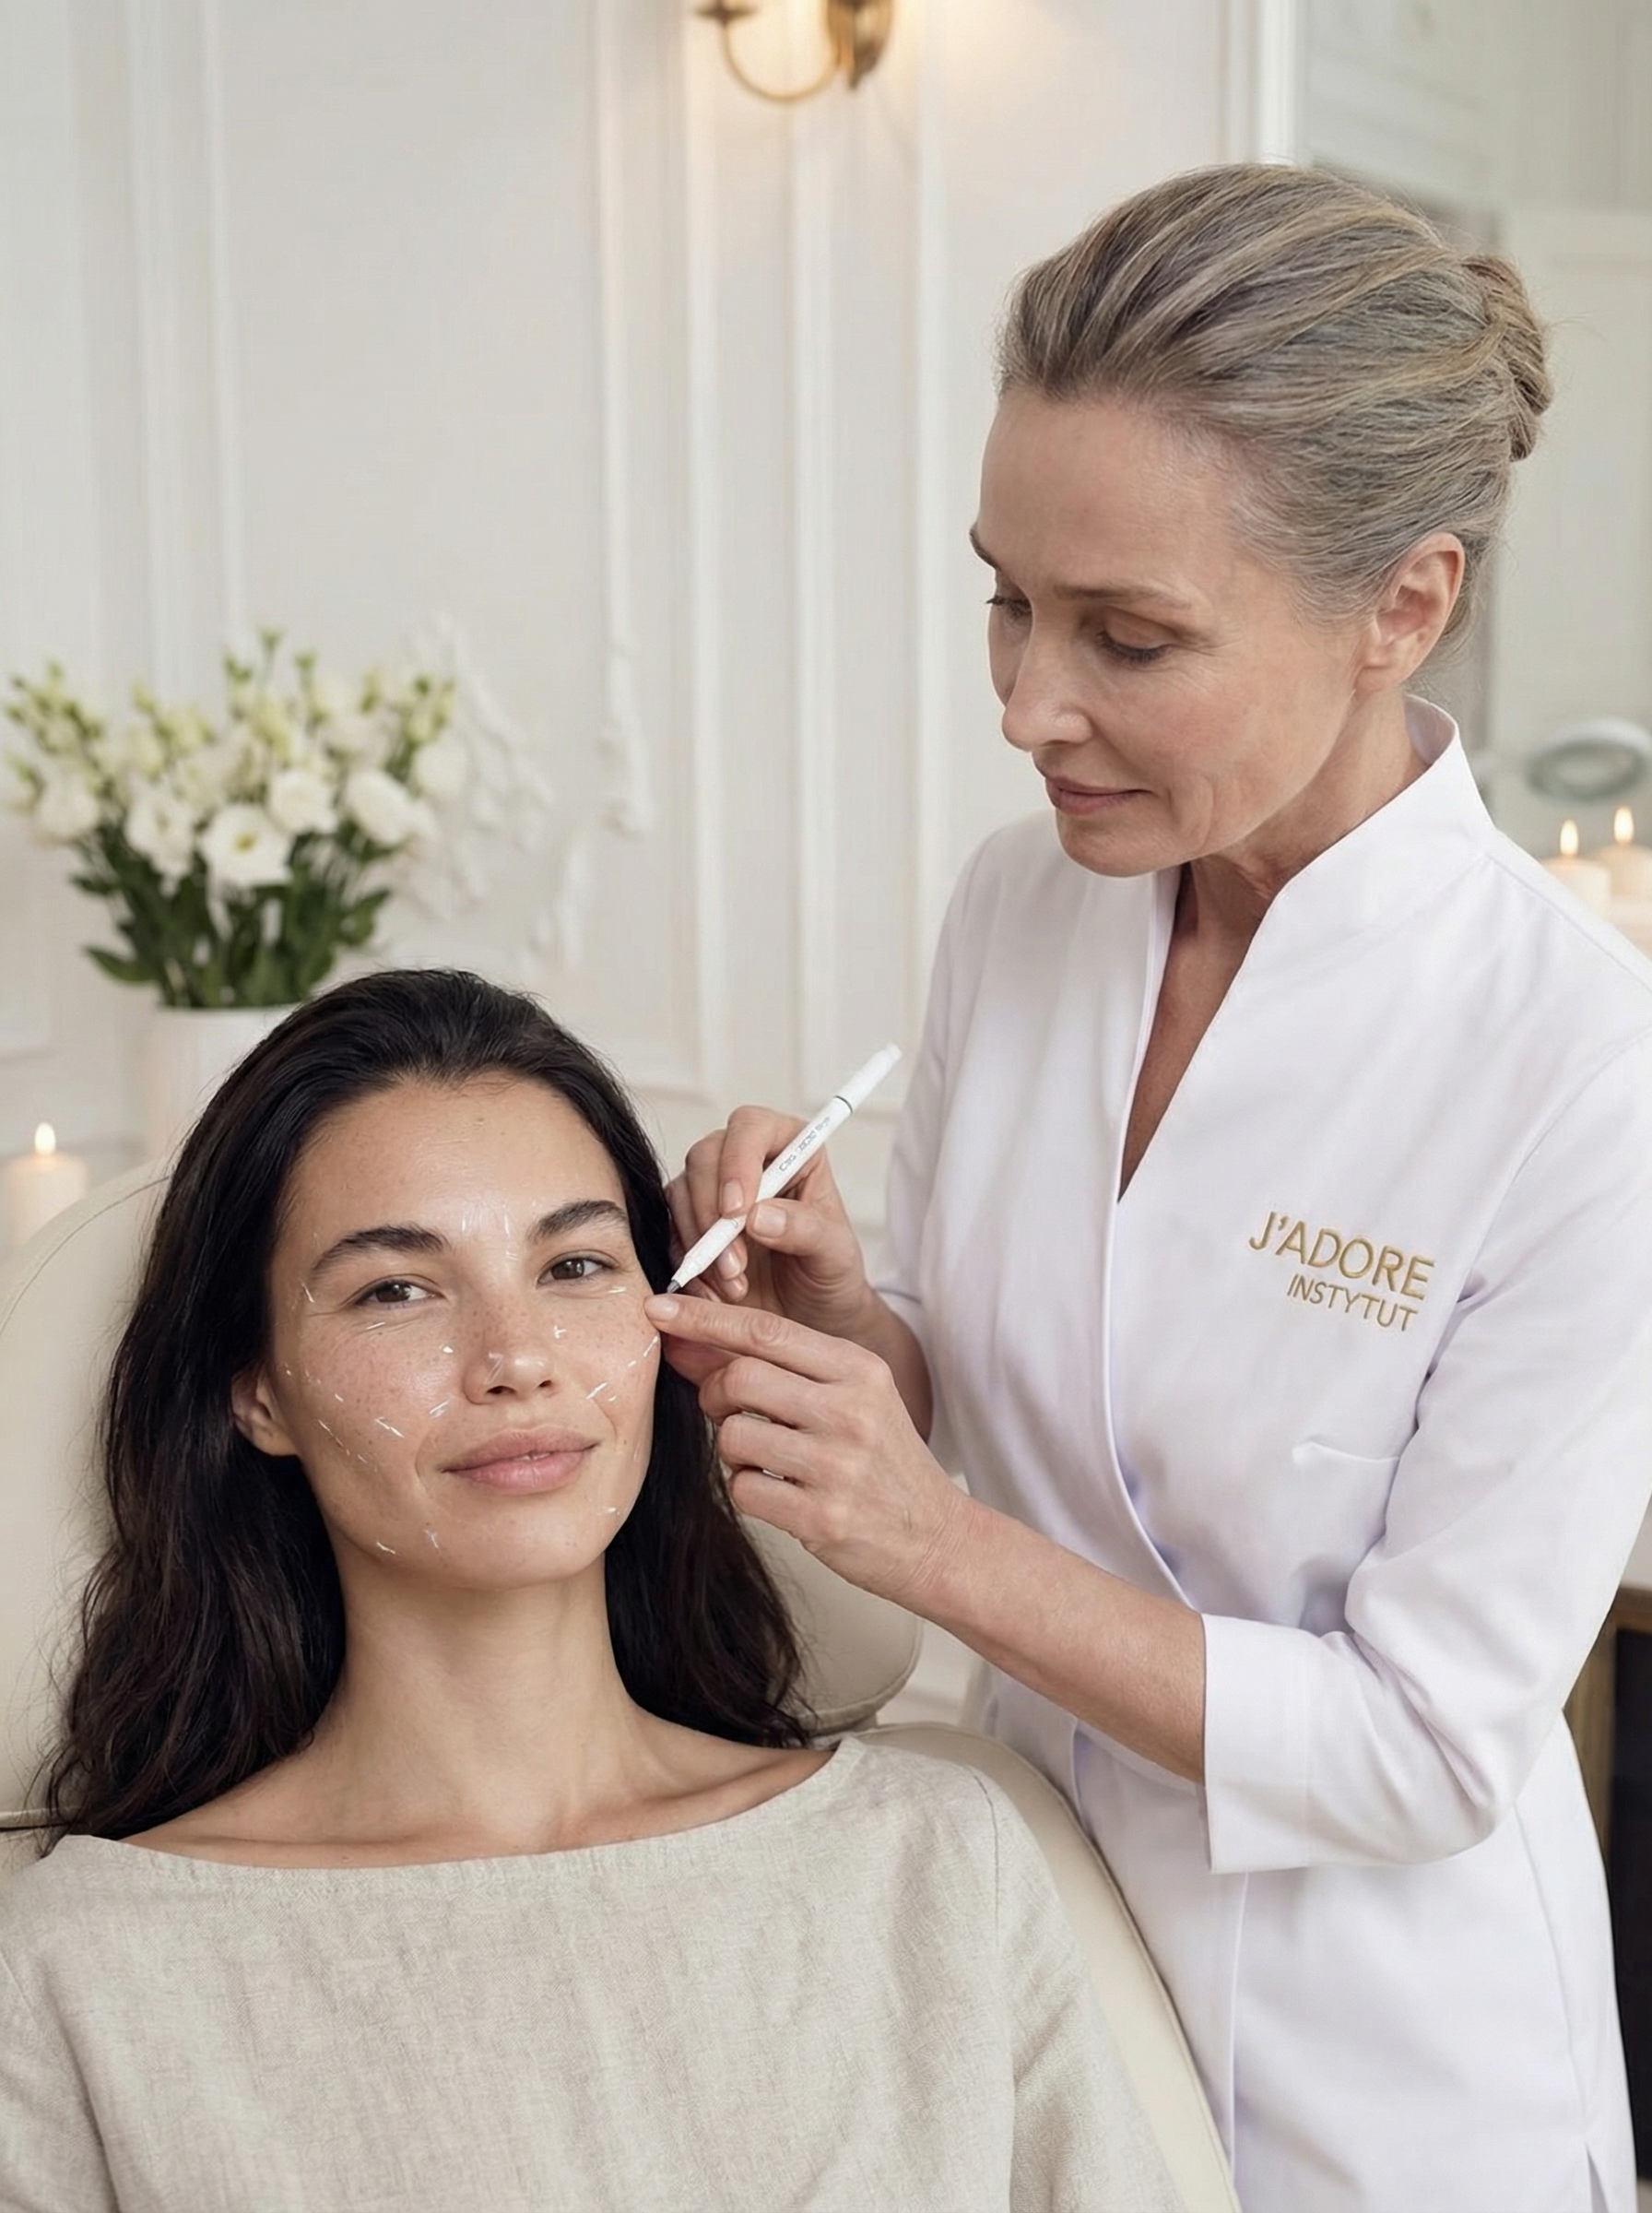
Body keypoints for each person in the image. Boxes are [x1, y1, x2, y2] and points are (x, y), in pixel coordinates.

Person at [651, 164, 1652, 2212]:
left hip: (1384, 2087)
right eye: (1006, 601)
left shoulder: (1577, 1064)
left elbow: (1423, 1748)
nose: (1030, 705)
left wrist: (934, 1548)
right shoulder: (1022, 906)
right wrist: (846, 1327)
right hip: (1038, 1973)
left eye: (1129, 636)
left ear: (1402, 606)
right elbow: (1007, 1401)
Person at [0, 969, 1179, 2213]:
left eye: (573, 1266)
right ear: (258, 1392)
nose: (516, 1359)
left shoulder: (936, 1867)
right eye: (397, 1289)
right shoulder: (89, 1970)